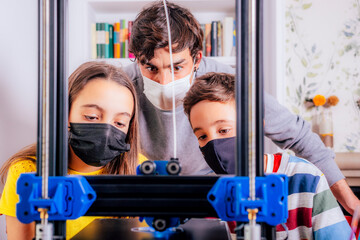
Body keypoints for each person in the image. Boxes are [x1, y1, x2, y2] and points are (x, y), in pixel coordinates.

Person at [124, 1, 360, 214]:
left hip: (217, 194)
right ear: (137, 60)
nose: (165, 81)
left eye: (177, 67)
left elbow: (299, 137)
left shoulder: (228, 85)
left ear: (197, 59)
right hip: (153, 195)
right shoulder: (123, 86)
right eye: (151, 68)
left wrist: (350, 202)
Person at [183, 72, 353, 239]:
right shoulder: (214, 193)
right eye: (202, 136)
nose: (213, 144)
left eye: (224, 130)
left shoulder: (306, 178)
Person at [0, 61, 143, 240]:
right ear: (64, 113)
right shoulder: (26, 172)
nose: (106, 132)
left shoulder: (140, 169)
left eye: (119, 123)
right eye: (92, 117)